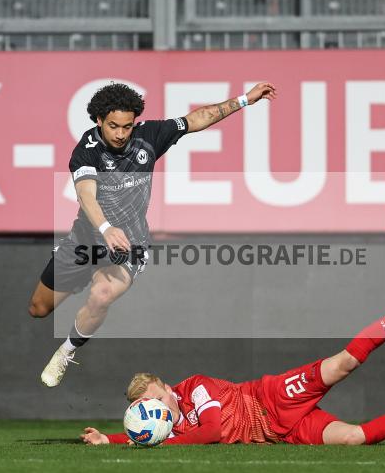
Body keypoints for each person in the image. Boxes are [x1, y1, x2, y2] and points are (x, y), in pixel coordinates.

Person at [30, 81, 278, 387]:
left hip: (130, 244)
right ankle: (83, 277)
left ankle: (66, 351)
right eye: (113, 126)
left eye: (127, 126)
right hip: (86, 242)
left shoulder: (148, 136)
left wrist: (243, 100)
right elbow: (86, 195)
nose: (121, 134)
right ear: (98, 121)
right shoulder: (86, 151)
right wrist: (106, 228)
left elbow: (196, 119)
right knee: (39, 309)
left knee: (102, 295)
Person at [81, 280, 385, 446]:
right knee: (356, 438)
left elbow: (216, 429)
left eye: (156, 403)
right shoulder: (168, 425)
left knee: (342, 364)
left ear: (166, 388)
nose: (157, 414)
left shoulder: (193, 388)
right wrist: (110, 440)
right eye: (150, 412)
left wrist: (154, 447)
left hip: (271, 399)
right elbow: (149, 435)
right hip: (280, 433)